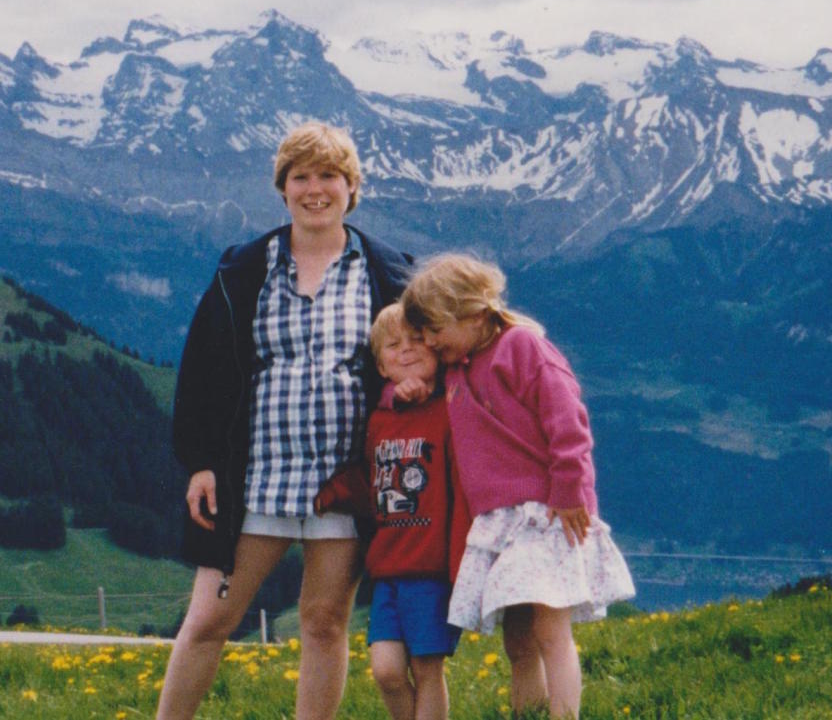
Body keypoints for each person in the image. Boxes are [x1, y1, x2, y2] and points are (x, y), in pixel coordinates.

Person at [156, 122, 412, 720]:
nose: (315, 189)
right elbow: (203, 371)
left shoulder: (389, 273)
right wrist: (199, 462)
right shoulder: (244, 270)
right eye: (301, 176)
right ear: (283, 188)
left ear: (352, 187)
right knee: (210, 620)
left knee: (325, 623)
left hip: (345, 481)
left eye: (330, 176)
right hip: (256, 477)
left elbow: (417, 362)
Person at [399, 254, 635, 720]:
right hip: (501, 521)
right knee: (518, 636)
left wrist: (569, 492)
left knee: (551, 630)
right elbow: (413, 387)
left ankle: (563, 715)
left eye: (433, 328)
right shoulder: (459, 365)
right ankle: (527, 712)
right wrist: (399, 393)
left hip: (545, 514)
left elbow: (568, 425)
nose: (427, 340)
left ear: (472, 313)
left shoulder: (522, 348)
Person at [314, 303, 470, 720]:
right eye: (393, 344)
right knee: (385, 671)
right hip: (387, 568)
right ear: (380, 366)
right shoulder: (380, 421)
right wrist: (338, 491)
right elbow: (374, 485)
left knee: (427, 669)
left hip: (431, 569)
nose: (407, 349)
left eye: (418, 340)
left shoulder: (448, 408)